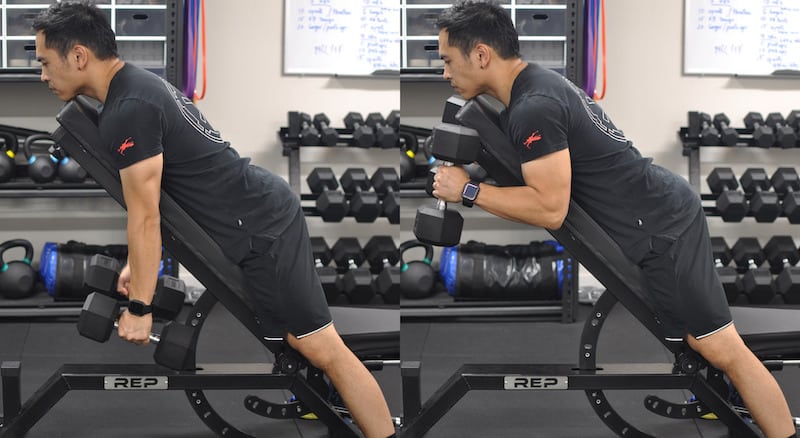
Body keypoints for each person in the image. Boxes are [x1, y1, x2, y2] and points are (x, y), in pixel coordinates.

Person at [430, 1, 796, 437]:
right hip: (659, 214)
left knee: (722, 347)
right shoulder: (534, 89)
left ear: (482, 55)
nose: (445, 73)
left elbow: (550, 208)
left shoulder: (534, 107)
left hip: (664, 229)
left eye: (449, 61)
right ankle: (726, 399)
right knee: (701, 342)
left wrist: (467, 191)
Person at [32, 3, 395, 437]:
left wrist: (140, 308)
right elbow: (165, 202)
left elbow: (146, 217)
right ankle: (329, 404)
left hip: (264, 228)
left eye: (45, 63)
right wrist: (139, 266)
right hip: (259, 217)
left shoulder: (128, 106)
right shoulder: (135, 89)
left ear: (77, 56)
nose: (43, 76)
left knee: (322, 347)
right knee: (300, 344)